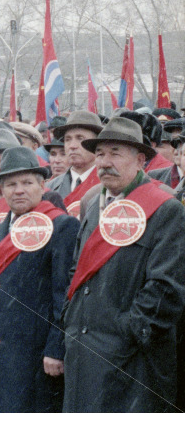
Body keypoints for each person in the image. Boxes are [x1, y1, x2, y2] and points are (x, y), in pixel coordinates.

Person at [63, 117, 185, 412]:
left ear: (141, 159)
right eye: (101, 154)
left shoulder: (166, 208)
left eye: (115, 152)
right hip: (83, 353)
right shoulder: (93, 205)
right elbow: (77, 272)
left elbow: (166, 289)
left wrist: (125, 333)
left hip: (133, 362)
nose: (105, 162)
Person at [0, 147, 76, 413]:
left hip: (36, 351)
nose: (19, 190)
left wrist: (56, 348)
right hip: (1, 349)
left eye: (27, 183)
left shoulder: (62, 226)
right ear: (2, 190)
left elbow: (64, 294)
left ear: (42, 186)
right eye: (11, 184)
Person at [47, 111, 103, 219]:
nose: (72, 146)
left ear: (96, 144)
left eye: (80, 138)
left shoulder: (110, 186)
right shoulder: (49, 188)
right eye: (67, 139)